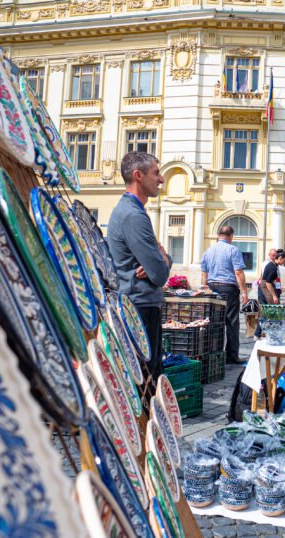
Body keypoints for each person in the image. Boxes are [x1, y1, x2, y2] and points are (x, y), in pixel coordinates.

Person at [107, 152, 173, 403]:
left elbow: (157, 264)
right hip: (140, 306)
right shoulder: (133, 215)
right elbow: (159, 273)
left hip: (138, 302)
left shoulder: (132, 210)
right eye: (156, 173)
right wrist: (162, 259)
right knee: (146, 380)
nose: (161, 179)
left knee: (147, 376)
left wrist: (161, 259)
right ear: (138, 175)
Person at [200, 225, 248, 364]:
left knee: (214, 322)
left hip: (212, 287)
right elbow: (238, 272)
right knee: (231, 322)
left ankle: (213, 354)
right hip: (228, 288)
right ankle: (231, 356)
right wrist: (244, 292)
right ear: (231, 236)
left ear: (218, 235)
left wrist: (204, 289)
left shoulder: (209, 250)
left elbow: (204, 273)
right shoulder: (233, 249)